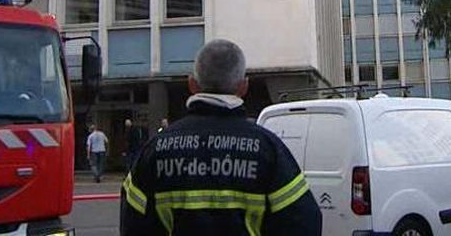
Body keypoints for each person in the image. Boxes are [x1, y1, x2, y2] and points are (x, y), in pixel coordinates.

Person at [120, 39, 322, 236]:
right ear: (243, 87)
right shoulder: (268, 150)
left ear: (192, 84)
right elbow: (305, 222)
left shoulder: (155, 150)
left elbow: (132, 225)